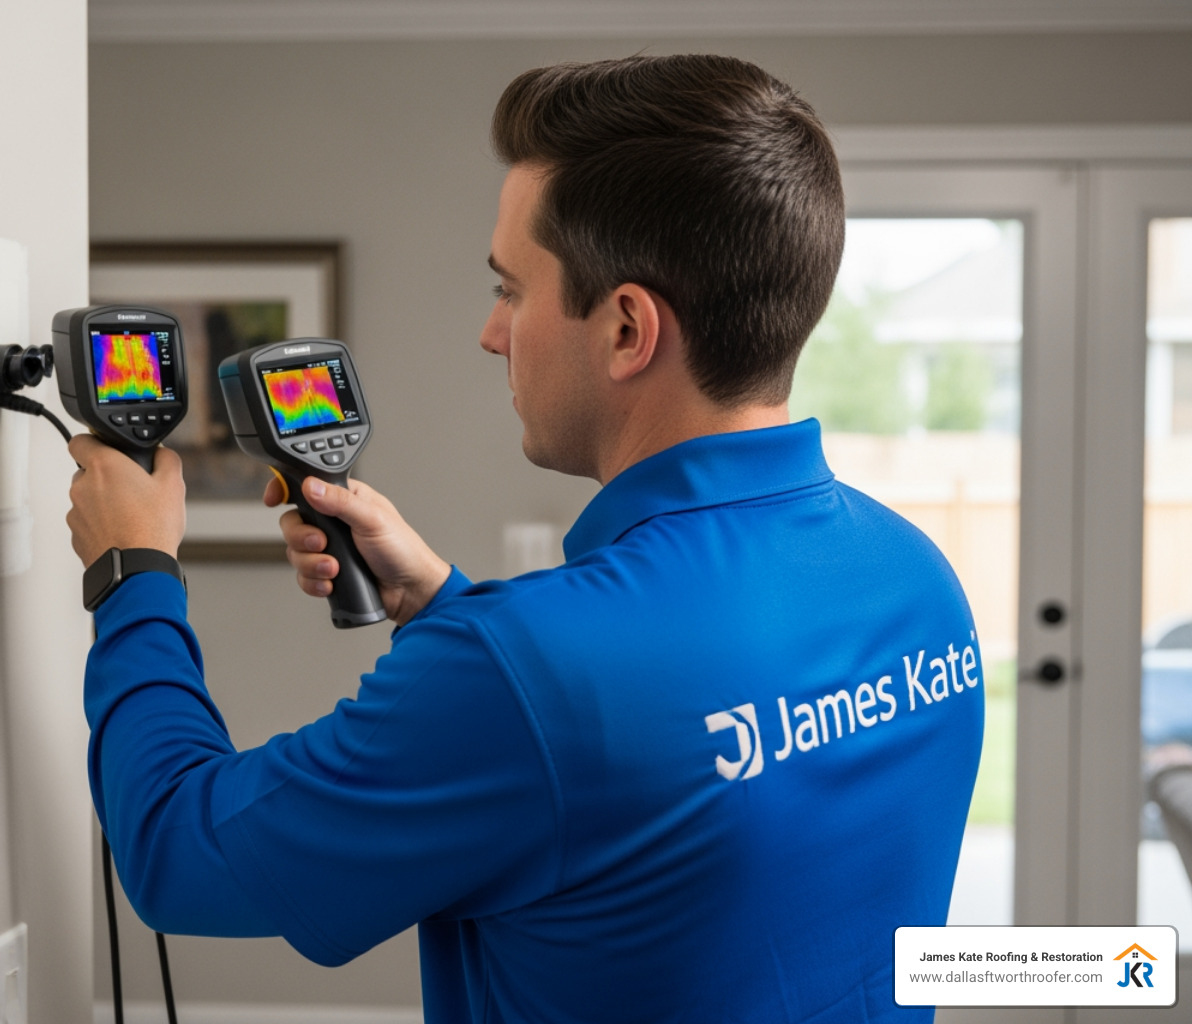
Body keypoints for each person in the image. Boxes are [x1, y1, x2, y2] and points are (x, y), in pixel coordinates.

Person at [66, 54, 984, 1023]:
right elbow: (660, 780)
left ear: (627, 329)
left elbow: (177, 852)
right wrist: (444, 604)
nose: (491, 333)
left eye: (510, 289)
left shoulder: (527, 674)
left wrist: (135, 570)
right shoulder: (919, 576)